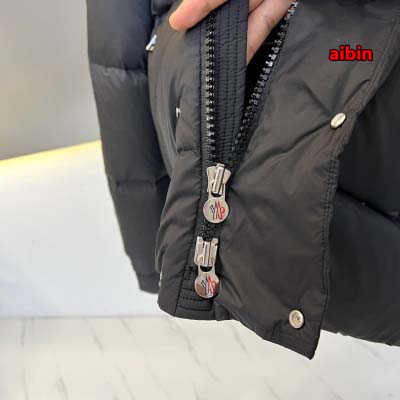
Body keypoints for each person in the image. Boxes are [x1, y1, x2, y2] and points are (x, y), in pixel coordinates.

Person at [87, 0, 400, 358]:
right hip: (246, 98)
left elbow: (117, 64)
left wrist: (149, 252)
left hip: (249, 86)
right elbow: (117, 63)